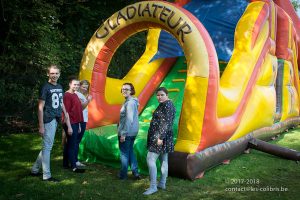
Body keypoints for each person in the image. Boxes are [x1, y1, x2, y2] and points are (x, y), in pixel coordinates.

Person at [31, 64, 70, 182]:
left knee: (46, 146)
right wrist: (41, 125)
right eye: (52, 73)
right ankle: (46, 175)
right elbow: (40, 107)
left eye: (56, 73)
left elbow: (61, 101)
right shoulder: (45, 87)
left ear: (59, 74)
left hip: (56, 118)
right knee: (48, 147)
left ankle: (35, 169)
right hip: (48, 119)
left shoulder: (59, 86)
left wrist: (65, 112)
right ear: (48, 74)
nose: (54, 75)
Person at [143, 87, 176, 195]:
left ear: (167, 95)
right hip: (162, 136)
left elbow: (166, 123)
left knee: (150, 159)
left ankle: (153, 187)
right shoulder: (165, 104)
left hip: (160, 137)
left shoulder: (167, 105)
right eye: (158, 95)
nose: (159, 97)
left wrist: (160, 138)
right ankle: (162, 183)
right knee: (163, 159)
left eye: (162, 95)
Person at [118, 83, 141, 180]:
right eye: (123, 89)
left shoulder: (130, 102)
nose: (124, 91)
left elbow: (129, 119)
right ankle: (135, 172)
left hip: (127, 132)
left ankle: (123, 175)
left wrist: (123, 133)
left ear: (131, 91)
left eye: (127, 89)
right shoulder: (131, 101)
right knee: (130, 151)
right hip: (132, 132)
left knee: (124, 153)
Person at [62, 77, 85, 173]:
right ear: (70, 84)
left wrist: (79, 125)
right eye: (74, 84)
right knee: (72, 144)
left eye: (77, 85)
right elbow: (66, 112)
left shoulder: (75, 94)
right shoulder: (67, 95)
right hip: (70, 122)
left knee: (69, 144)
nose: (76, 86)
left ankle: (65, 163)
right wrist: (69, 126)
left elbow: (77, 111)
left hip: (76, 122)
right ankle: (74, 166)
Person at [74, 80, 92, 167]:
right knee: (76, 141)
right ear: (79, 86)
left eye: (86, 87)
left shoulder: (82, 95)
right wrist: (88, 100)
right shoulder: (77, 94)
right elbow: (80, 108)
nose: (85, 89)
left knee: (77, 140)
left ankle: (73, 159)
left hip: (83, 119)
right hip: (80, 120)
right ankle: (75, 160)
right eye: (83, 87)